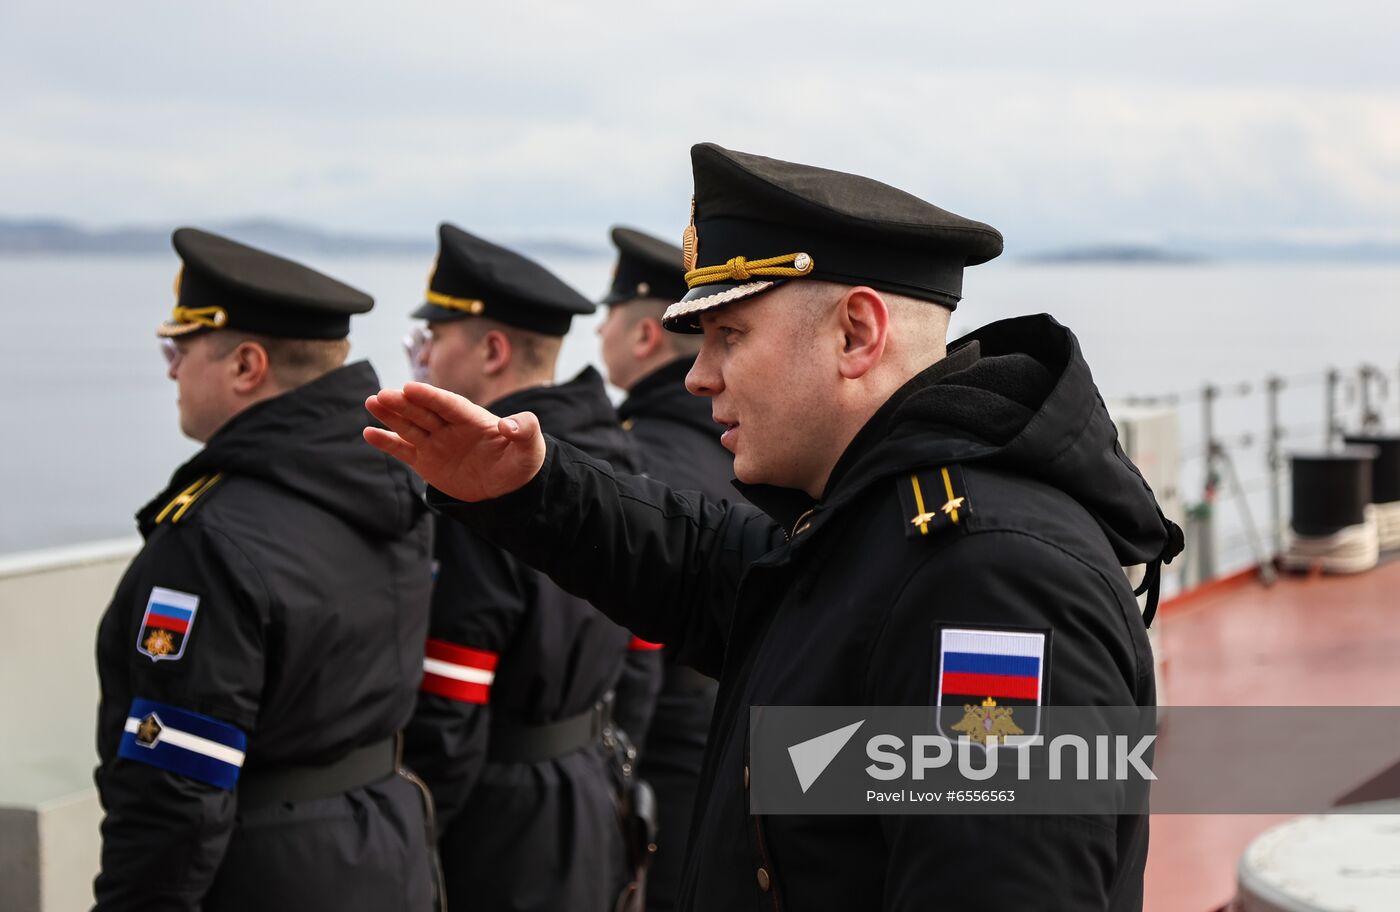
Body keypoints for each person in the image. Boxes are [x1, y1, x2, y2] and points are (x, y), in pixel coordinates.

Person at [366, 144, 1183, 911]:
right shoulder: (882, 521)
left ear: (856, 334)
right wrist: (528, 483)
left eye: (730, 335)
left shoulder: (992, 587)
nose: (698, 376)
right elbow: (702, 564)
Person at [94, 228, 437, 911]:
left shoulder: (209, 539)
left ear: (246, 366)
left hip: (263, 876)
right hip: (385, 852)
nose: (171, 372)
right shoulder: (390, 485)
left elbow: (175, 795)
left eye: (179, 350)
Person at [401, 223, 649, 912]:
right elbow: (642, 662)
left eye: (433, 339)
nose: (423, 358)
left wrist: (412, 846)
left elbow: (447, 718)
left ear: (492, 350)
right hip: (594, 788)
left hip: (499, 826)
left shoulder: (483, 492)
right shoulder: (611, 457)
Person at [596, 225, 735, 911]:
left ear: (645, 335)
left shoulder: (643, 461)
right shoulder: (730, 442)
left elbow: (633, 658)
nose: (600, 332)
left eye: (608, 316)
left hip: (666, 770)